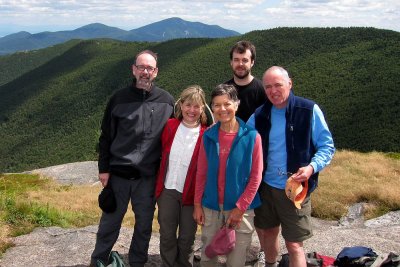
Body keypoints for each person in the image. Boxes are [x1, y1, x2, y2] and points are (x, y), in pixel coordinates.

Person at [90, 50, 175, 267]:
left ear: (156, 72)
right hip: (118, 175)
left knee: (144, 225)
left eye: (150, 68)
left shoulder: (167, 101)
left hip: (147, 177)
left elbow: (179, 132)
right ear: (134, 69)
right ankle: (98, 261)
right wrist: (104, 169)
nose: (145, 72)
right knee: (110, 223)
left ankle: (137, 262)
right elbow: (106, 136)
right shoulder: (118, 99)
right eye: (141, 67)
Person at [247, 66, 335, 267]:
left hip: (296, 188)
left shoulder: (308, 110)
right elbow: (244, 144)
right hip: (266, 187)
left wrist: (312, 167)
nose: (273, 91)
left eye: (278, 85)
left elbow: (326, 146)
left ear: (290, 84)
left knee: (294, 244)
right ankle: (270, 264)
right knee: (268, 234)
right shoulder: (260, 115)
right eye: (268, 86)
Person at [193, 84, 263, 267]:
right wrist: (197, 205)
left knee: (236, 260)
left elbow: (256, 177)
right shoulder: (208, 136)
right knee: (208, 256)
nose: (222, 109)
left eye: (227, 104)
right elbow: (201, 173)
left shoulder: (252, 137)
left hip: (241, 208)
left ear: (236, 104)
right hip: (210, 206)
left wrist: (240, 209)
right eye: (216, 105)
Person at [155, 85, 212, 267]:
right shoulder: (170, 126)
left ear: (203, 108)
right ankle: (168, 264)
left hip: (192, 195)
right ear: (181, 106)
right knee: (167, 234)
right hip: (168, 190)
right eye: (188, 105)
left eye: (196, 106)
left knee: (187, 237)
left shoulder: (206, 134)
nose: (191, 110)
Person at [224, 40, 266, 122]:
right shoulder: (223, 90)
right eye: (236, 60)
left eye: (245, 60)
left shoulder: (263, 90)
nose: (240, 64)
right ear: (231, 62)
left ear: (252, 62)